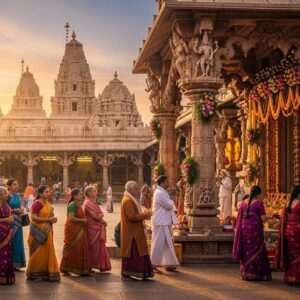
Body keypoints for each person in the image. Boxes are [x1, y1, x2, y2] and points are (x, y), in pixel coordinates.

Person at [233, 185, 271, 281]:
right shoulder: (259, 203)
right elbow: (263, 218)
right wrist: (269, 217)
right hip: (255, 229)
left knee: (247, 250)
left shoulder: (243, 203)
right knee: (256, 249)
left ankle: (246, 273)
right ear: (258, 194)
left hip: (244, 229)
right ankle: (255, 273)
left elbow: (239, 218)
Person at [26, 185, 60, 281]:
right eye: (46, 192)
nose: (48, 193)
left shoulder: (48, 203)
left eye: (49, 191)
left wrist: (53, 219)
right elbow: (33, 217)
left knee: (46, 251)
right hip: (38, 232)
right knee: (38, 252)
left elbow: (50, 216)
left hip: (47, 231)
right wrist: (48, 219)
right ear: (40, 194)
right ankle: (34, 272)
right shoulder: (37, 203)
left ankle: (46, 272)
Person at [121, 181, 153, 280]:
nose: (138, 190)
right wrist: (145, 215)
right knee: (134, 252)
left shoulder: (131, 199)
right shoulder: (128, 201)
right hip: (132, 233)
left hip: (135, 231)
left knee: (138, 251)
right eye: (135, 188)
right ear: (130, 190)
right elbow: (131, 217)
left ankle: (138, 271)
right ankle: (132, 271)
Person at [151, 175, 179, 272]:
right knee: (158, 243)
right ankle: (153, 264)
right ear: (162, 183)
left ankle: (169, 263)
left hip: (163, 221)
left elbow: (169, 204)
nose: (168, 183)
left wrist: (171, 202)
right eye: (166, 182)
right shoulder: (159, 193)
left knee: (167, 243)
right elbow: (168, 205)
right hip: (160, 222)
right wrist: (172, 202)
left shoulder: (162, 192)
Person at [60, 188, 90, 276]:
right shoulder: (73, 205)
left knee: (80, 248)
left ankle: (81, 269)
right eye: (80, 194)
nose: (82, 195)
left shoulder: (79, 204)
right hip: (73, 229)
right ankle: (66, 267)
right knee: (71, 247)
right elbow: (71, 218)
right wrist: (83, 220)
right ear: (74, 196)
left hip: (79, 229)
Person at [83, 185, 111, 273]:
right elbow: (95, 216)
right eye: (94, 191)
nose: (96, 192)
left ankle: (100, 264)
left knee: (99, 247)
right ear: (88, 193)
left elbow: (98, 214)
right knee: (94, 248)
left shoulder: (93, 202)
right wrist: (102, 220)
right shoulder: (88, 203)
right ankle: (91, 264)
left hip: (97, 227)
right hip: (92, 228)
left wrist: (101, 217)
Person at [277, 185, 300, 286]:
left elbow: (283, 218)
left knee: (291, 254)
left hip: (288, 231)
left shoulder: (287, 203)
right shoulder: (299, 203)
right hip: (298, 231)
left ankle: (290, 277)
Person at [7, 178, 26, 270]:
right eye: (14, 184)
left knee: (18, 241)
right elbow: (4, 208)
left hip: (18, 222)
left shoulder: (17, 195)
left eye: (17, 184)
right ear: (9, 186)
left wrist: (22, 208)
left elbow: (22, 205)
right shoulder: (6, 196)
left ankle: (17, 264)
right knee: (10, 241)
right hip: (9, 222)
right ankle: (8, 263)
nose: (16, 186)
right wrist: (15, 210)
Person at [0, 186, 15, 285]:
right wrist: (6, 220)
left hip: (7, 233)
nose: (7, 195)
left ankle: (5, 278)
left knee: (6, 254)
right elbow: (7, 219)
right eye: (5, 193)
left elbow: (11, 218)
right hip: (1, 234)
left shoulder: (7, 206)